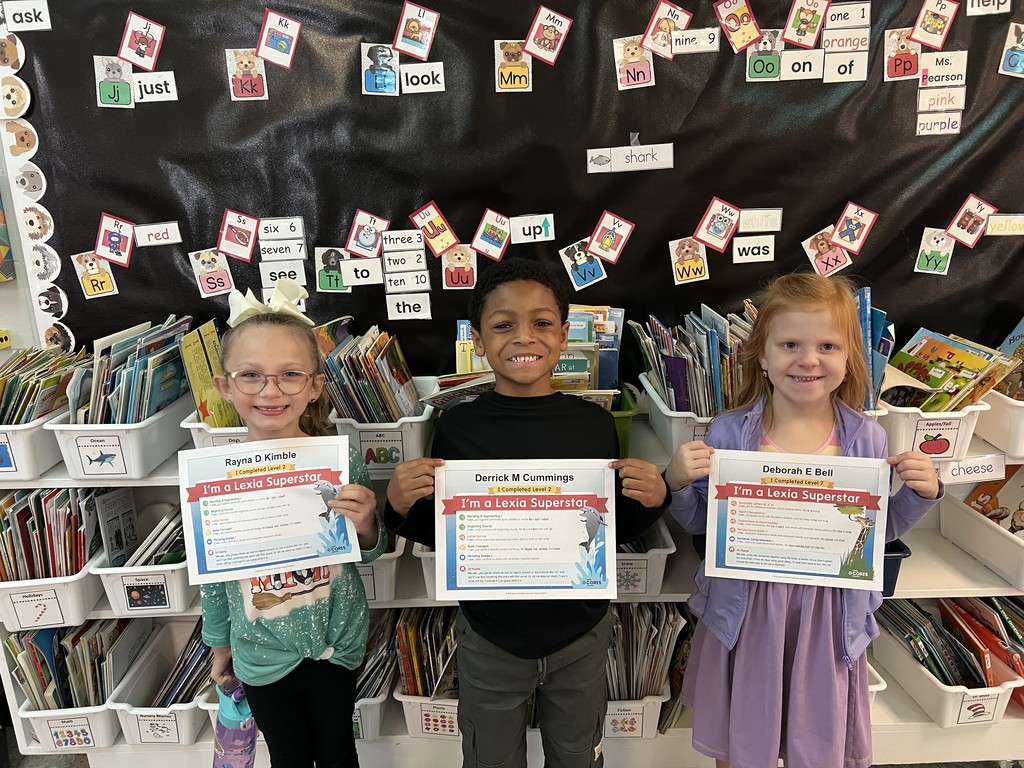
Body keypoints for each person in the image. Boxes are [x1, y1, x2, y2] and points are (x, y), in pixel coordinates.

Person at [384, 258, 670, 768]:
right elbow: (448, 534)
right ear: (478, 339)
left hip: (579, 634)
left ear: (563, 335)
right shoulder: (457, 427)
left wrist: (656, 498)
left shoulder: (593, 425)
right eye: (502, 325)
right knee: (490, 757)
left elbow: (603, 532)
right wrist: (399, 507)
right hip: (491, 634)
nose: (524, 337)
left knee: (577, 754)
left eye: (541, 323)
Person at [665, 273, 942, 768]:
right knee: (741, 743)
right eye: (790, 343)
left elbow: (871, 538)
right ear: (763, 357)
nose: (808, 359)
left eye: (827, 345)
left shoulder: (866, 440)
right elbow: (706, 526)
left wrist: (919, 497)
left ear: (848, 358)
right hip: (748, 617)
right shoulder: (730, 433)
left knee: (815, 747)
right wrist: (678, 485)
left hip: (826, 620)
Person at [201, 280, 386, 768]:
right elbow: (216, 577)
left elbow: (367, 551)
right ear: (225, 386)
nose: (270, 390)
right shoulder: (215, 476)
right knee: (287, 754)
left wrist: (367, 525)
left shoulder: (341, 459)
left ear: (313, 387)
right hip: (261, 653)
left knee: (337, 751)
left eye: (289, 375)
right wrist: (219, 644)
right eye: (251, 375)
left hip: (335, 643)